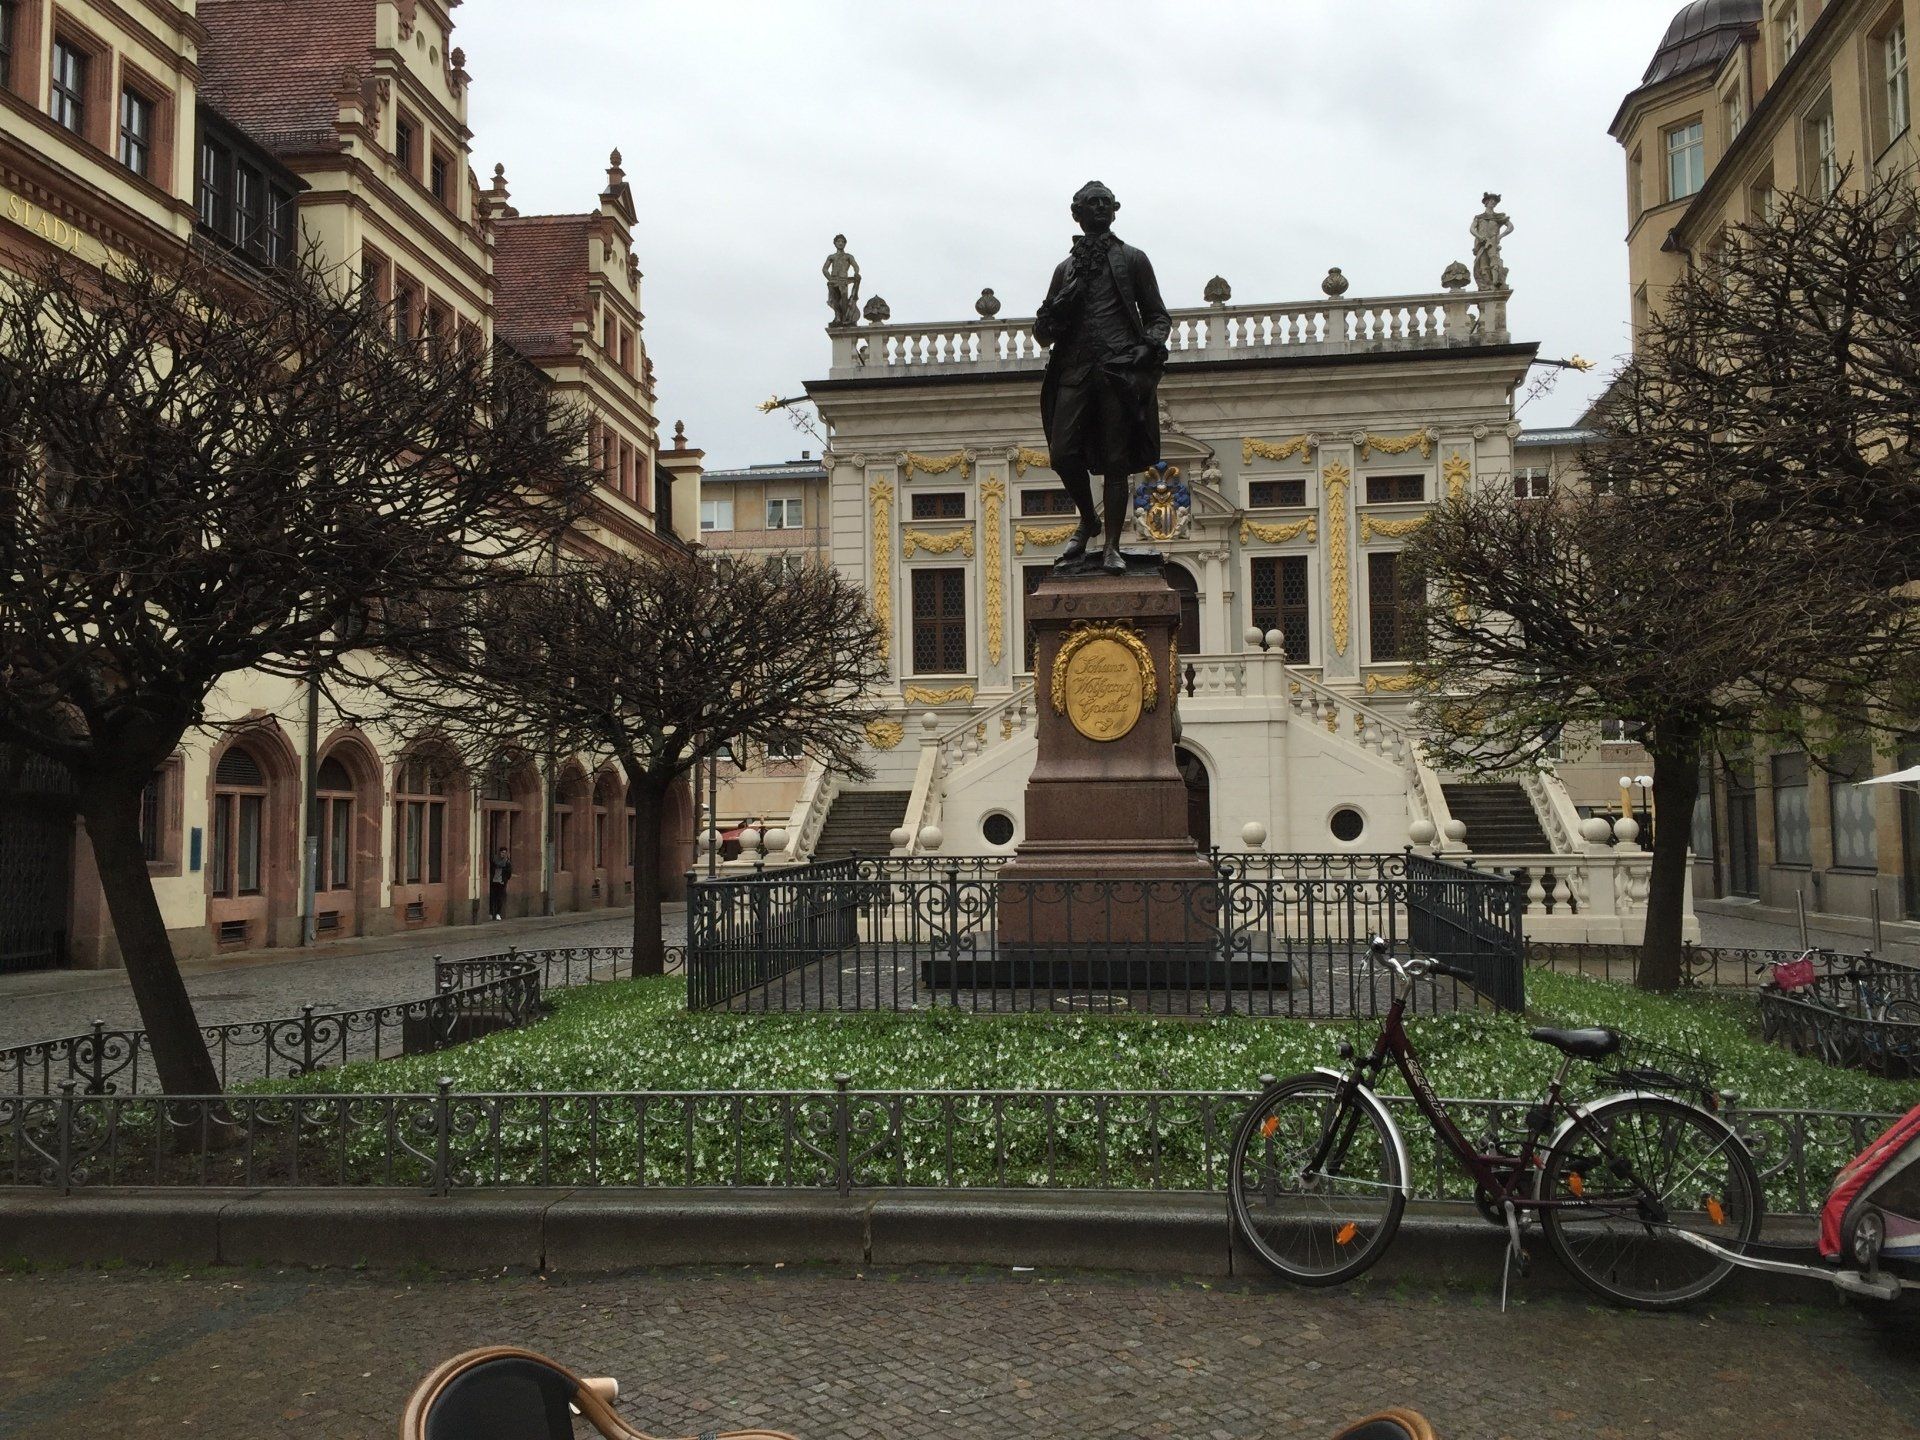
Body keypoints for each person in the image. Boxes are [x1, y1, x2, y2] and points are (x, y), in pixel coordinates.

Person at [1033, 181, 1171, 573]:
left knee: (1116, 460)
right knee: (1062, 454)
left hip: (1117, 370)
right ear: (1076, 214)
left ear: (1114, 210)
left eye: (1105, 203)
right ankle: (1088, 519)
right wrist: (1057, 309)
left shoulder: (1133, 259)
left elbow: (1158, 316)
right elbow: (1042, 333)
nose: (1099, 208)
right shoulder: (1065, 270)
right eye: (1091, 203)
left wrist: (1147, 345)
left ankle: (1111, 545)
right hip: (1075, 370)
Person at [488, 846, 512, 921]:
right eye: (502, 852)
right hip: (494, 881)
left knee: (499, 898)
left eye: (504, 853)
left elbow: (509, 873)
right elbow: (491, 869)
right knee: (493, 897)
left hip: (501, 882)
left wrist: (505, 880)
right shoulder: (494, 860)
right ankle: (491, 913)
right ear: (499, 853)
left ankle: (498, 913)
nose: (503, 854)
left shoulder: (507, 862)